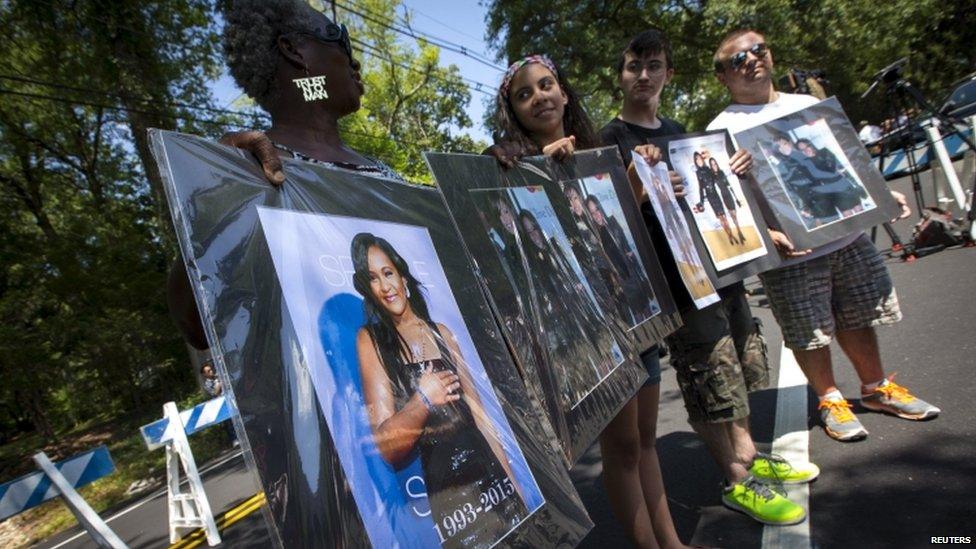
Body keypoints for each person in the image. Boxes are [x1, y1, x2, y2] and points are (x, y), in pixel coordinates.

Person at [601, 29, 815, 528]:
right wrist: (641, 182)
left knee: (737, 365)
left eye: (654, 66)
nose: (644, 75)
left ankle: (748, 452)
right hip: (671, 284)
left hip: (718, 269)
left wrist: (745, 195)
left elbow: (709, 203)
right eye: (634, 66)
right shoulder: (610, 139)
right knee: (707, 377)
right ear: (621, 76)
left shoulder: (680, 131)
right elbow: (609, 222)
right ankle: (738, 480)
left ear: (668, 75)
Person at [487, 53, 695, 547]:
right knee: (621, 449)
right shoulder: (508, 167)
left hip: (634, 315)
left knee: (647, 440)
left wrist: (646, 182)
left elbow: (613, 224)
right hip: (593, 333)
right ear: (513, 112)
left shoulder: (595, 153)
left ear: (564, 93)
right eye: (524, 94)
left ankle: (674, 542)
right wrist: (540, 171)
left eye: (546, 86)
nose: (539, 97)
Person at [708, 28, 939, 443]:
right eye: (738, 59)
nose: (752, 60)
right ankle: (830, 399)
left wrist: (881, 193)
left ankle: (875, 389)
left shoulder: (807, 105)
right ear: (723, 77)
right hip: (793, 251)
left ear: (770, 54)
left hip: (847, 237)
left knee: (858, 314)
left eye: (758, 50)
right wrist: (767, 233)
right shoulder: (719, 131)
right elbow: (725, 205)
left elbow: (846, 161)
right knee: (806, 329)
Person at [167, 0, 405, 349]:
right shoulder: (248, 173)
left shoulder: (385, 175)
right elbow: (198, 329)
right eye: (339, 38)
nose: (353, 60)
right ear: (294, 50)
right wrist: (219, 197)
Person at [351, 233, 527, 545]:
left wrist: (515, 487)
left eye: (388, 273)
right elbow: (388, 447)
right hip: (451, 498)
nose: (385, 286)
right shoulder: (371, 341)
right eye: (373, 279)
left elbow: (481, 419)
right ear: (368, 289)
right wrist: (423, 400)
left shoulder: (442, 333)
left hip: (492, 479)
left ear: (402, 276)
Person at [709, 157, 747, 244]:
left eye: (715, 164)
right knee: (725, 218)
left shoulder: (721, 172)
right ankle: (730, 236)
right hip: (721, 197)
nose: (714, 166)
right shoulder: (712, 176)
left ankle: (739, 232)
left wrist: (736, 198)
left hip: (728, 195)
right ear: (710, 166)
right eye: (712, 165)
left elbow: (729, 185)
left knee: (734, 215)